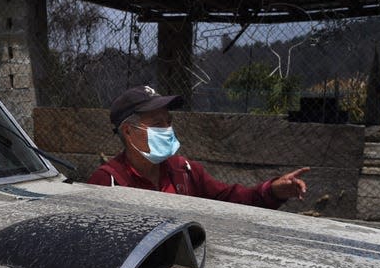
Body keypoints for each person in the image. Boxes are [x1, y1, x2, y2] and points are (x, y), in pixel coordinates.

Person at [88, 85, 309, 209]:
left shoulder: (184, 171)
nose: (167, 129)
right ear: (128, 131)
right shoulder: (108, 182)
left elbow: (231, 199)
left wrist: (272, 191)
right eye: (157, 124)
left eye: (169, 121)